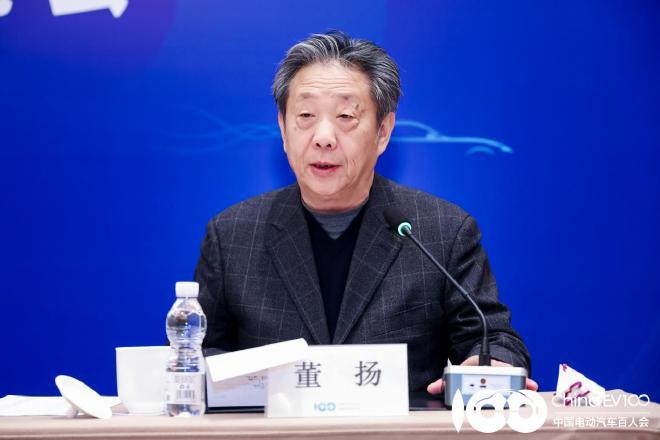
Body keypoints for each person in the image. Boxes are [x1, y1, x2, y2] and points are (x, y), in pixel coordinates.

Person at [195, 30, 537, 394]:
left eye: (345, 116)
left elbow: (492, 337)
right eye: (306, 115)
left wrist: (490, 364)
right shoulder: (232, 235)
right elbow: (194, 354)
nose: (323, 137)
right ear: (283, 127)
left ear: (383, 131)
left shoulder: (441, 231)